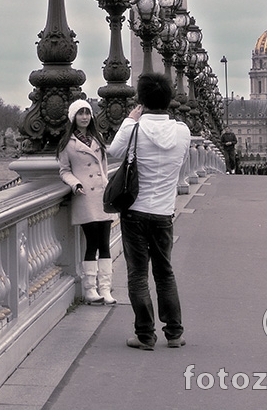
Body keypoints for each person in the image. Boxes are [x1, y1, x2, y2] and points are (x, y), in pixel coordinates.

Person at [109, 73, 190, 350]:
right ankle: (175, 332)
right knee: (165, 272)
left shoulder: (134, 129)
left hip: (134, 211)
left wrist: (131, 118)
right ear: (169, 100)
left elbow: (114, 152)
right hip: (164, 212)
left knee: (137, 274)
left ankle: (145, 335)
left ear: (141, 100)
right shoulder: (182, 131)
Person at [57, 99, 116, 305]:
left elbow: (104, 167)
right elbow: (64, 170)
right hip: (84, 197)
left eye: (87, 113)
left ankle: (106, 288)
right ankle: (90, 289)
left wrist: (108, 185)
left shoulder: (97, 138)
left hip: (102, 196)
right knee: (92, 244)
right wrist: (75, 184)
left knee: (105, 244)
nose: (84, 117)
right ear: (74, 118)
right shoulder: (68, 144)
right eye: (80, 113)